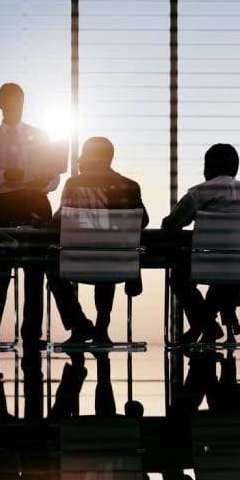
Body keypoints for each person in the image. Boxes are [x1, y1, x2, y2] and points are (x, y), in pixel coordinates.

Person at [0, 82, 60, 348]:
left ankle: (32, 334)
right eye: (9, 101)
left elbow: (55, 177)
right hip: (6, 202)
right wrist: (4, 175)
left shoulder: (41, 136)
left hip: (36, 200)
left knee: (35, 271)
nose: (14, 106)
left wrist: (44, 182)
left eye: (18, 100)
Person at [47, 136, 149, 344]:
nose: (79, 160)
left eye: (83, 154)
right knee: (107, 259)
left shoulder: (74, 184)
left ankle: (79, 324)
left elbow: (60, 220)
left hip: (77, 262)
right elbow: (143, 220)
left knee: (52, 266)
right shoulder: (130, 186)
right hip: (118, 264)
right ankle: (102, 326)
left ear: (92, 157)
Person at [161, 143, 240, 344]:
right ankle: (207, 325)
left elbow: (171, 224)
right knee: (224, 275)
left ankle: (205, 325)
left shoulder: (200, 192)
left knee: (180, 278)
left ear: (208, 167)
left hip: (210, 265)